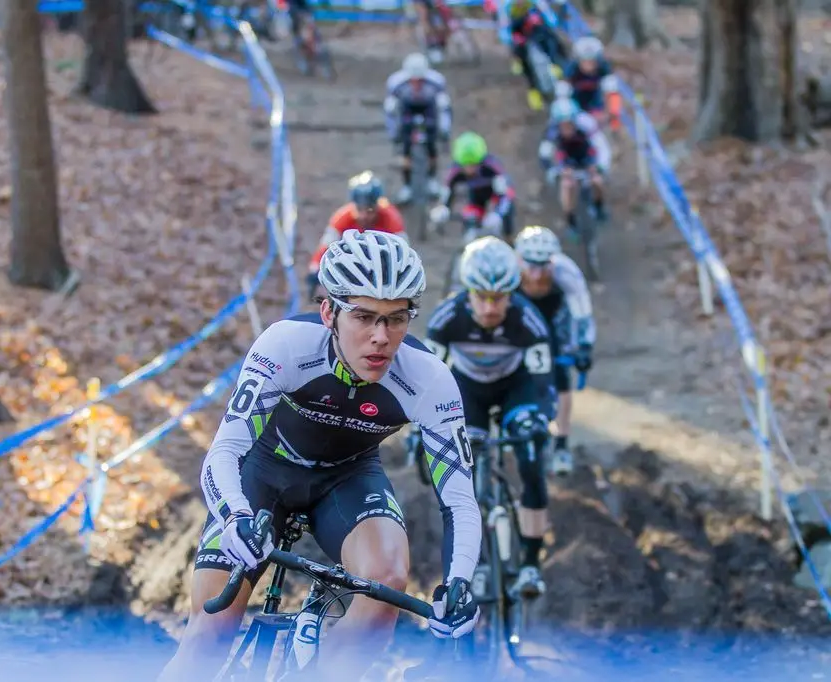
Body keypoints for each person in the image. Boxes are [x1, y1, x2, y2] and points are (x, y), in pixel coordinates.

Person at [157, 230, 482, 682]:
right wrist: (234, 518)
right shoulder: (285, 346)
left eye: (396, 318)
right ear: (329, 311)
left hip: (348, 479)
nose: (381, 337)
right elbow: (226, 450)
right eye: (364, 316)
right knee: (209, 633)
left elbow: (460, 500)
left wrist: (460, 582)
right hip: (263, 473)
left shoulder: (429, 380)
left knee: (387, 579)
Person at [408, 236, 555, 598]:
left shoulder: (529, 322)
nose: (490, 308)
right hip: (466, 390)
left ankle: (531, 565)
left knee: (531, 457)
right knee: (461, 474)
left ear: (512, 293)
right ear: (467, 291)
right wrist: (418, 431)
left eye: (500, 298)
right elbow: (427, 382)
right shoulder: (447, 319)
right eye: (482, 297)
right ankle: (466, 563)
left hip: (516, 388)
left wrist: (540, 423)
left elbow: (542, 384)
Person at [512, 226, 594, 475]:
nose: (537, 274)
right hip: (516, 321)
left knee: (561, 379)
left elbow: (583, 313)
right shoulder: (509, 271)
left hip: (551, 325)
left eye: (543, 265)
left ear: (553, 261)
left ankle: (562, 444)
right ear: (519, 260)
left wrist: (585, 347)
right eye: (530, 265)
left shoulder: (566, 272)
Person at [305, 171, 407, 299]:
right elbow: (325, 246)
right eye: (359, 209)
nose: (364, 216)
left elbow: (404, 252)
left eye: (369, 210)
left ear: (377, 206)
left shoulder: (391, 217)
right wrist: (315, 270)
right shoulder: (342, 217)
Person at [384, 52, 452, 205]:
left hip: (428, 107)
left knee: (432, 145)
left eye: (420, 80)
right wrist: (394, 132)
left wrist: (444, 129)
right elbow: (390, 110)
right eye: (412, 81)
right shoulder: (396, 83)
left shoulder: (437, 82)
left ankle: (432, 179)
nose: (416, 84)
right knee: (405, 148)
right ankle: (407, 185)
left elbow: (444, 108)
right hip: (407, 107)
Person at [538, 97, 612, 233]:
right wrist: (554, 170)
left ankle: (599, 205)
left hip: (587, 158)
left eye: (570, 124)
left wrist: (600, 166)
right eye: (563, 126)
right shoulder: (552, 130)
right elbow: (544, 155)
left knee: (597, 181)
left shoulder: (587, 123)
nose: (567, 129)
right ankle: (570, 219)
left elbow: (602, 147)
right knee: (567, 185)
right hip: (567, 162)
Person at [430, 132, 516, 243]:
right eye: (466, 165)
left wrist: (498, 214)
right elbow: (447, 190)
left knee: (506, 217)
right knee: (470, 218)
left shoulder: (492, 167)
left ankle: (509, 241)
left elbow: (507, 194)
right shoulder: (455, 170)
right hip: (476, 196)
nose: (470, 169)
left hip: (495, 195)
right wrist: (443, 207)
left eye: (474, 165)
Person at [506, 0, 567, 111]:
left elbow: (549, 26)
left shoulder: (535, 7)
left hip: (541, 40)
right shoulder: (510, 10)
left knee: (550, 43)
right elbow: (509, 31)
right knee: (528, 65)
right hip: (525, 44)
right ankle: (535, 91)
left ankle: (556, 68)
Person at [556, 36, 622, 131]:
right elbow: (562, 94)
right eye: (585, 61)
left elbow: (612, 93)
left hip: (596, 110)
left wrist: (611, 115)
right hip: (574, 111)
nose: (589, 65)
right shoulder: (571, 69)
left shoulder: (604, 69)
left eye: (592, 61)